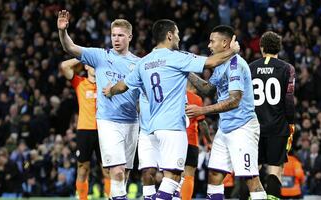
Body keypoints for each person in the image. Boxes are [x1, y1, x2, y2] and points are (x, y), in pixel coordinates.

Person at [103, 19, 239, 199]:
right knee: (174, 176)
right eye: (177, 35)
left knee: (157, 177)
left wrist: (109, 91)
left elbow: (121, 86)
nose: (179, 38)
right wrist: (232, 51)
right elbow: (211, 62)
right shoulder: (177, 57)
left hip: (151, 127)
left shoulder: (143, 62)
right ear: (169, 35)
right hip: (172, 126)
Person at [57, 10, 140, 200]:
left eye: (120, 35)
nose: (116, 39)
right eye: (113, 35)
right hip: (107, 122)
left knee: (123, 173)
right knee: (116, 171)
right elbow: (70, 48)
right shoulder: (100, 56)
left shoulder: (138, 63)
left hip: (131, 122)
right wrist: (63, 32)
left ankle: (114, 196)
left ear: (130, 36)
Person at [186, 25, 267, 200]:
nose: (209, 45)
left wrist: (202, 110)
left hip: (243, 127)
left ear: (224, 43)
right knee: (215, 174)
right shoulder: (221, 65)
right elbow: (208, 89)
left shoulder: (235, 65)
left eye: (212, 41)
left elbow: (234, 100)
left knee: (250, 177)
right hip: (226, 128)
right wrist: (186, 71)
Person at [248, 31, 296, 199]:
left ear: (261, 48)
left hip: (254, 126)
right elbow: (289, 99)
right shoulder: (287, 68)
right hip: (278, 127)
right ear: (279, 48)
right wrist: (291, 122)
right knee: (275, 170)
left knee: (254, 170)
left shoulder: (250, 67)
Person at [59, 58, 110, 199]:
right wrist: (82, 56)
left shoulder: (106, 84)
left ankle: (110, 197)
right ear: (86, 66)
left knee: (107, 170)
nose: (94, 66)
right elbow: (64, 66)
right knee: (82, 169)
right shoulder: (79, 82)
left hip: (103, 130)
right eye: (91, 63)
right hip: (84, 130)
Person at [181, 82, 211, 200]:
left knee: (172, 174)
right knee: (188, 175)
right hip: (190, 141)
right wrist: (208, 141)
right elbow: (202, 124)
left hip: (172, 140)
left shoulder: (172, 95)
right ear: (193, 86)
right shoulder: (196, 99)